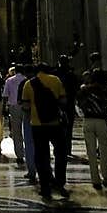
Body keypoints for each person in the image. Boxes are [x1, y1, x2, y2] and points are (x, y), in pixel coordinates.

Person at [20, 63, 69, 200]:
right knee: (60, 153)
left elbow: (25, 106)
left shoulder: (29, 84)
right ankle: (60, 182)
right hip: (55, 123)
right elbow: (64, 100)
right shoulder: (56, 80)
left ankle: (45, 187)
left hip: (37, 124)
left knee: (41, 156)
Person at [77, 68, 107, 189]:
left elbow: (79, 105)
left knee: (91, 152)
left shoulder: (84, 90)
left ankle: (95, 179)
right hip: (101, 120)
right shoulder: (105, 90)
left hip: (88, 120)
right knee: (104, 150)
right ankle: (106, 177)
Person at [3, 65, 26, 167]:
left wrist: (4, 107)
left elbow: (5, 95)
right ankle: (29, 151)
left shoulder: (9, 80)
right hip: (26, 106)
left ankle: (19, 155)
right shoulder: (27, 80)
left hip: (14, 106)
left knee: (16, 131)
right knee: (27, 130)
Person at [56, 55, 80, 157]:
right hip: (69, 103)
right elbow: (76, 89)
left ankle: (59, 150)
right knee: (69, 128)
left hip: (57, 105)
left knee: (57, 128)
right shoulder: (72, 75)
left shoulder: (55, 74)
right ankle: (67, 150)